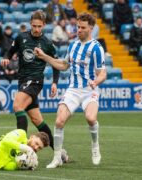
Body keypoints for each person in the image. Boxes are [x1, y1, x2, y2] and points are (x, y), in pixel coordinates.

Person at [34, 12, 107, 168]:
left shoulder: (96, 48)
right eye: (77, 27)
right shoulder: (73, 45)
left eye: (82, 27)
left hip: (89, 90)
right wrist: (44, 56)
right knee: (59, 121)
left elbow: (103, 73)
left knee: (91, 118)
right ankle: (57, 157)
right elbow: (63, 65)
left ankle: (95, 147)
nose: (78, 30)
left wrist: (96, 81)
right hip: (73, 90)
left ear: (91, 28)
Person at [1, 10, 61, 154]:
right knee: (37, 120)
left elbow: (56, 63)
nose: (36, 29)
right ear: (30, 24)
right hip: (23, 81)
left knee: (17, 106)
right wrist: (7, 57)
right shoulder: (21, 37)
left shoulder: (47, 43)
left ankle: (21, 147)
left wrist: (54, 82)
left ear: (44, 25)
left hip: (35, 81)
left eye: (39, 26)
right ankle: (59, 152)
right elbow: (11, 51)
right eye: (34, 26)